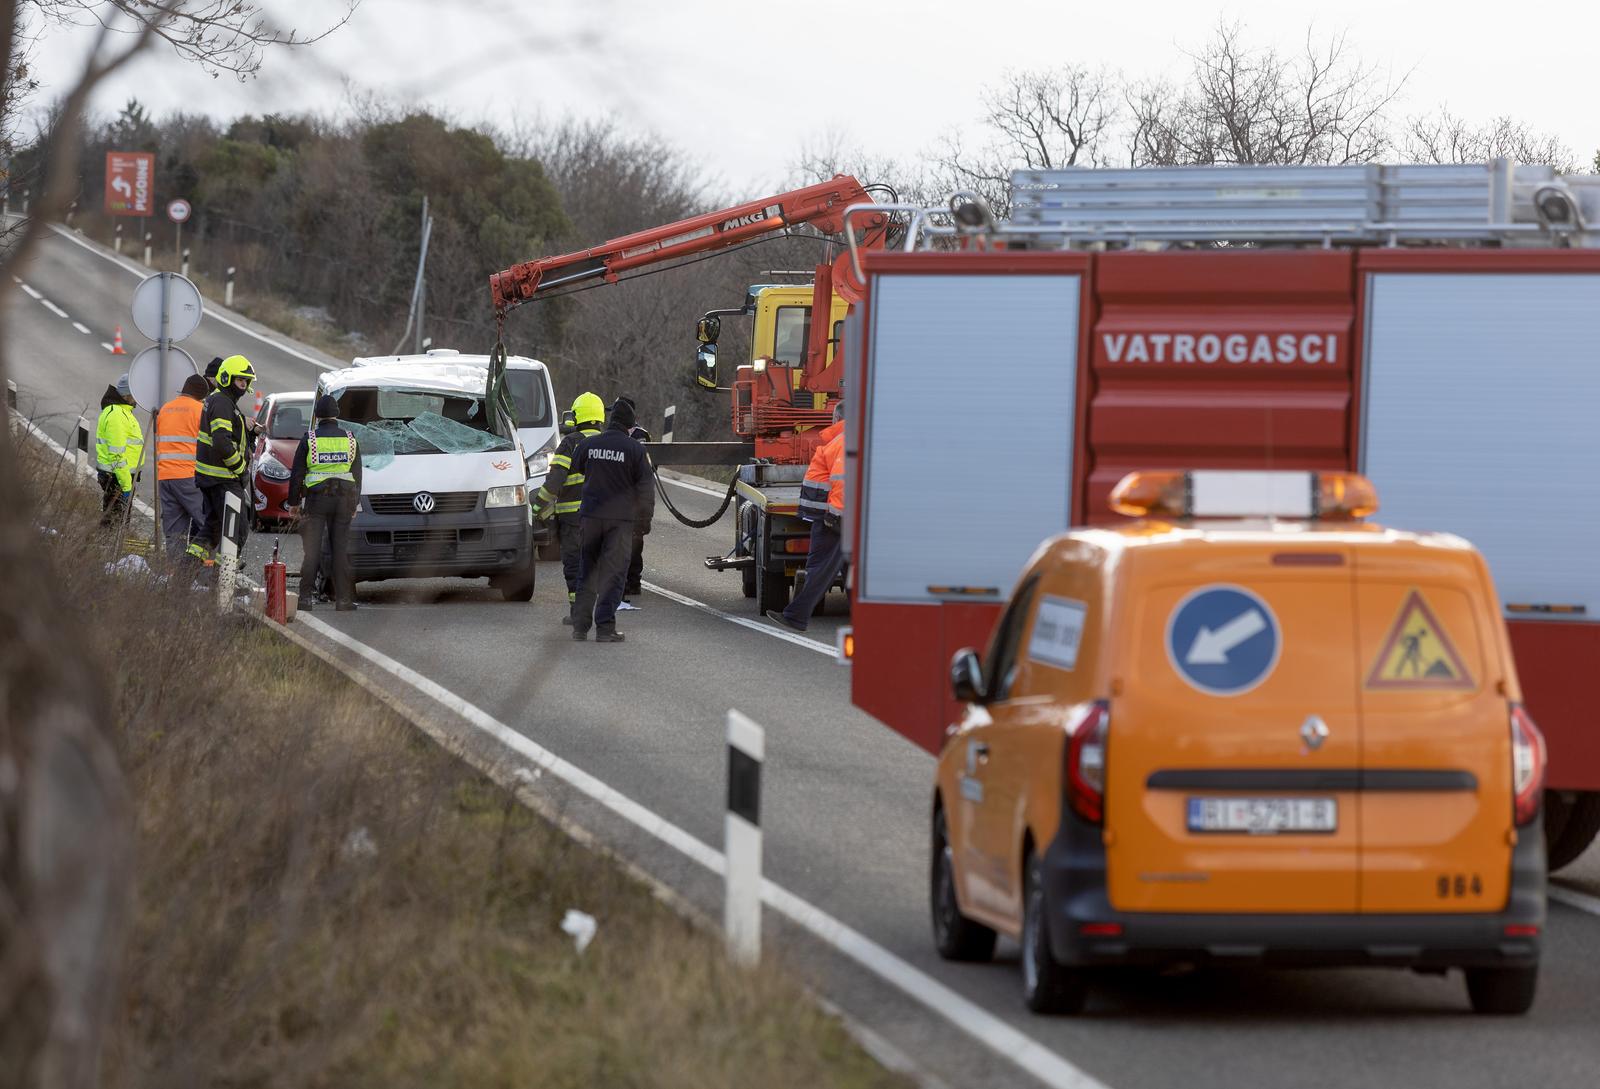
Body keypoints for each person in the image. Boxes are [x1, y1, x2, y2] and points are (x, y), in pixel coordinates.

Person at [568, 397, 654, 642]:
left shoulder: (589, 444)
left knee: (588, 572)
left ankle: (580, 627)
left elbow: (577, 467)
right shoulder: (636, 450)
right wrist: (644, 522)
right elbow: (646, 491)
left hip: (590, 518)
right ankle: (605, 628)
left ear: (610, 421)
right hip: (620, 522)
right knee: (614, 574)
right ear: (630, 426)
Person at [768, 405, 846, 633]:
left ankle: (796, 616)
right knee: (850, 572)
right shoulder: (844, 440)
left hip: (833, 519)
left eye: (833, 417)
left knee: (819, 569)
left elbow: (843, 481)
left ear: (838, 418)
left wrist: (837, 517)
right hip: (833, 517)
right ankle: (867, 624)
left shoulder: (843, 440)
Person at [534, 392, 606, 623]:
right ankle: (600, 611)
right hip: (603, 517)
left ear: (577, 416)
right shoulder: (608, 443)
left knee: (575, 563)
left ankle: (578, 613)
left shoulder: (570, 443)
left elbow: (554, 481)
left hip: (573, 519)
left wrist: (537, 508)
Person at [286, 393, 362, 612]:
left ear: (317, 416)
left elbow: (298, 472)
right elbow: (357, 473)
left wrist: (293, 502)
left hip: (317, 500)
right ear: (337, 416)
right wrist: (355, 502)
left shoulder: (309, 439)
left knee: (312, 551)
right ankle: (343, 600)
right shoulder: (350, 439)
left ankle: (305, 599)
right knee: (340, 550)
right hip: (343, 501)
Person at [195, 354, 256, 558]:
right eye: (240, 380)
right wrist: (240, 470)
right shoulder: (222, 402)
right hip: (223, 479)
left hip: (213, 478)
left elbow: (229, 437)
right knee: (237, 531)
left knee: (212, 530)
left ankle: (185, 575)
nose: (243, 385)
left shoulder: (221, 400)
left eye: (246, 381)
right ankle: (222, 582)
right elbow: (222, 442)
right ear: (227, 378)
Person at [154, 373, 213, 563]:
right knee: (209, 524)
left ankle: (175, 579)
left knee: (174, 533)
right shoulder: (200, 410)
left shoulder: (165, 409)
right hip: (189, 476)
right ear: (201, 395)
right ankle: (214, 575)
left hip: (165, 477)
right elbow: (208, 445)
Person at [95, 373, 143, 529]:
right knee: (115, 525)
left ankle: (106, 550)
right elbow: (117, 454)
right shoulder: (117, 415)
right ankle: (107, 552)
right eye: (135, 394)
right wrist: (126, 485)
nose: (137, 398)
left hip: (119, 476)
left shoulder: (122, 412)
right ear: (127, 394)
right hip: (117, 477)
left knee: (114, 522)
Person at [618, 395, 651, 602]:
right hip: (620, 496)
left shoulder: (641, 435)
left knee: (635, 541)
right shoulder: (614, 435)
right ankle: (623, 580)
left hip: (637, 496)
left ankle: (633, 581)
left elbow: (648, 467)